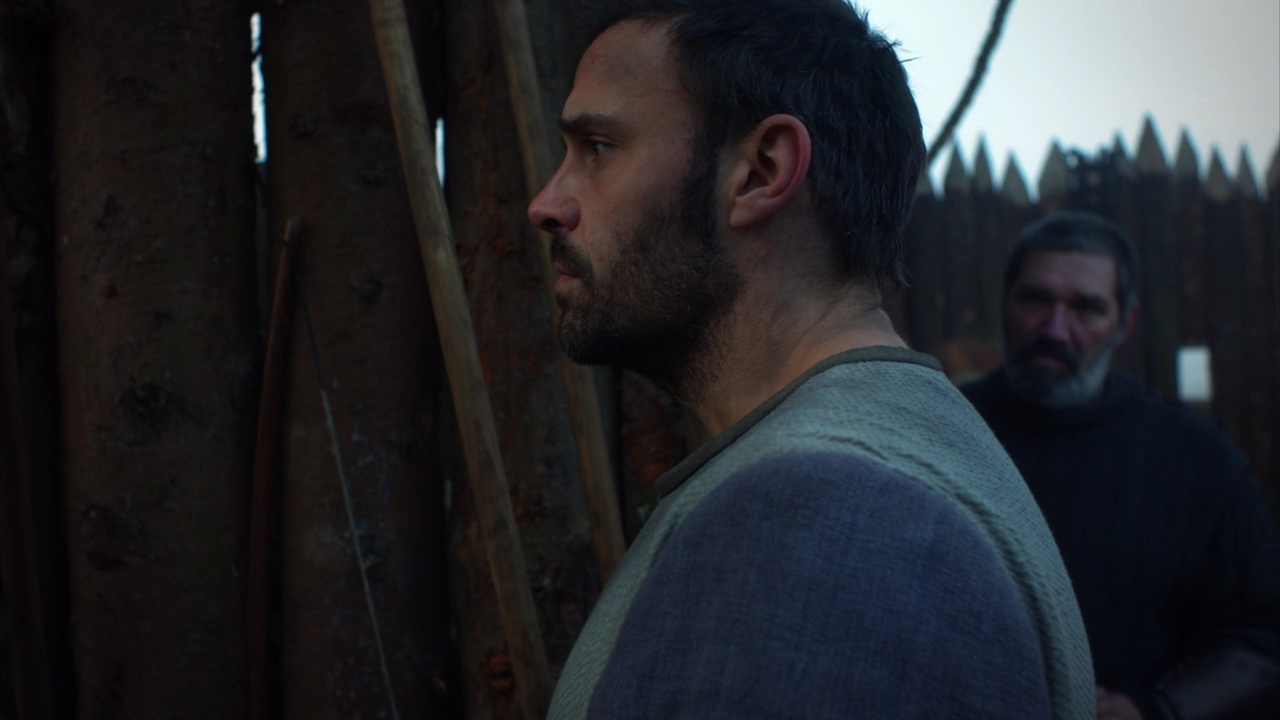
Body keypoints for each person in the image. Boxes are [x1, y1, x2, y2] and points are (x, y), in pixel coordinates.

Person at [527, 1, 1094, 718]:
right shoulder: (882, 463)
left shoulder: (821, 517)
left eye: (599, 147)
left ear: (762, 172)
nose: (546, 204)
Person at [963, 211, 1280, 720]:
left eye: (1086, 308)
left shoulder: (1200, 461)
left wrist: (1154, 709)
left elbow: (1260, 638)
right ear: (1005, 304)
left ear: (1124, 323)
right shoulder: (941, 432)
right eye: (1035, 300)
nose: (1054, 330)